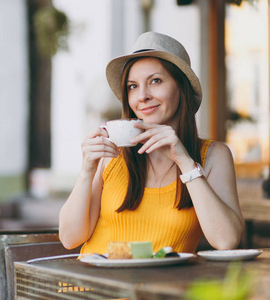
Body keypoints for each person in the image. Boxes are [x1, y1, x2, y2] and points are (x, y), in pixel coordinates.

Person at [59, 31, 244, 255]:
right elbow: (69, 238)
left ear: (181, 88)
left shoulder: (213, 156)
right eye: (132, 86)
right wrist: (87, 170)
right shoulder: (111, 153)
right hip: (93, 286)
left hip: (160, 289)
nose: (142, 96)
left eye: (155, 81)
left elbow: (227, 240)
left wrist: (185, 162)